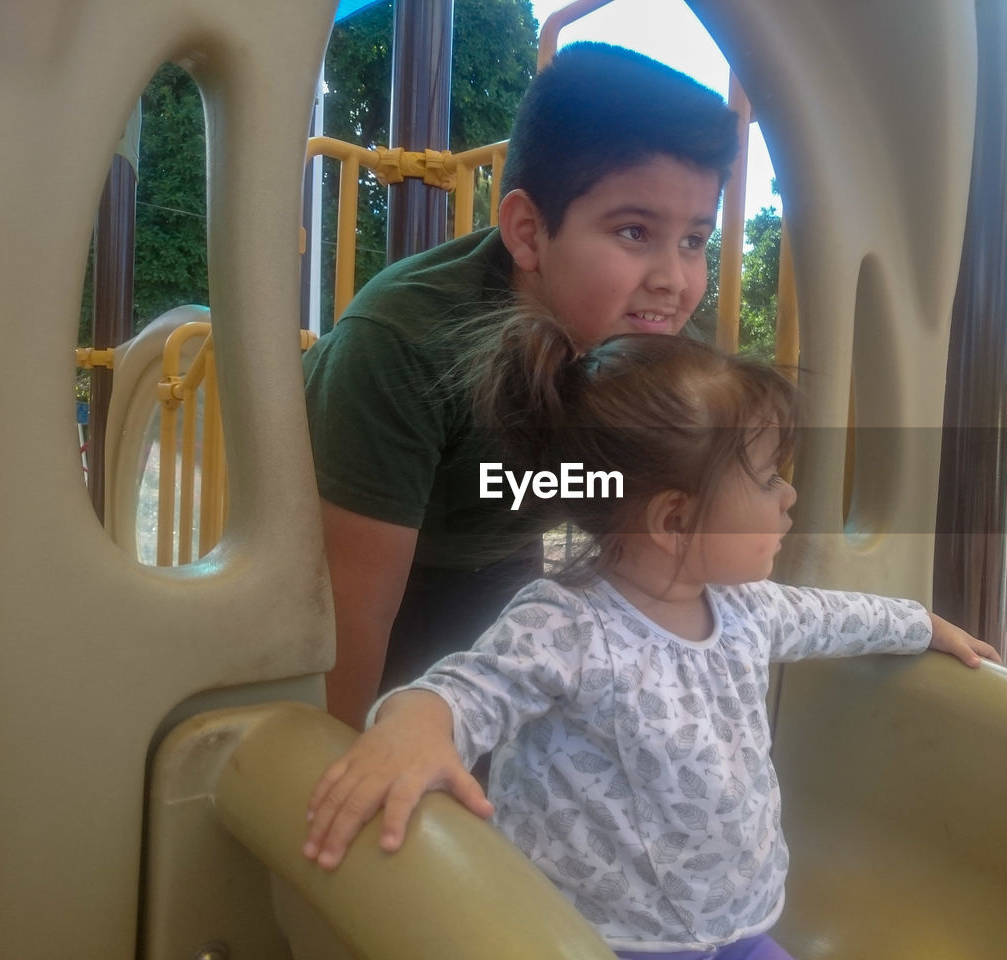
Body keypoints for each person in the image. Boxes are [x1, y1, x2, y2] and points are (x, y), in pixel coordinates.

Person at [302, 315, 1001, 959]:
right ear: (672, 520)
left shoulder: (747, 609)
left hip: (739, 924)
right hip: (598, 939)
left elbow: (833, 616)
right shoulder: (567, 625)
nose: (787, 497)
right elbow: (469, 689)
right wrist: (416, 722)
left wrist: (922, 624)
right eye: (766, 480)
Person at [303, 42, 740, 726]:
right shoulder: (403, 346)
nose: (674, 280)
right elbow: (348, 622)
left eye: (693, 241)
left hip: (509, 568)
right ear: (529, 233)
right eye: (634, 231)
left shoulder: (643, 349)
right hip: (397, 589)